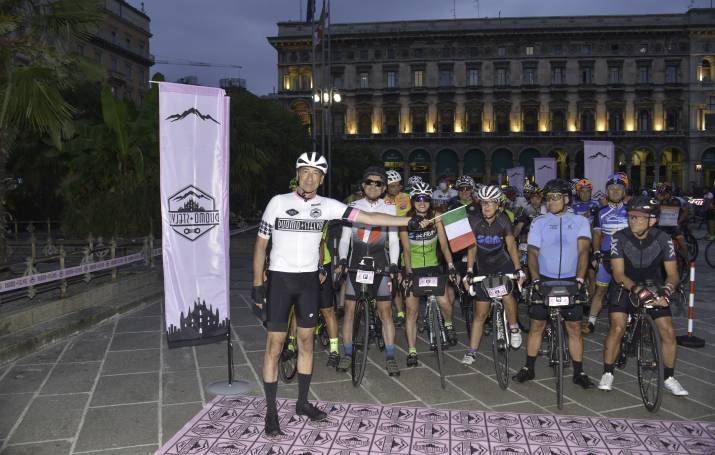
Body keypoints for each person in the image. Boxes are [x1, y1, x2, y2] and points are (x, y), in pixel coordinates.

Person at [251, 152, 428, 436]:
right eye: (305, 171)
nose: (310, 177)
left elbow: (370, 216)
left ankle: (302, 403)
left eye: (316, 173)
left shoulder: (329, 205)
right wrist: (257, 284)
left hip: (309, 281)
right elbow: (260, 245)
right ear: (298, 174)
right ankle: (271, 412)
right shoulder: (278, 203)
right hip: (280, 281)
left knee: (307, 342)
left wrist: (409, 222)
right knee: (275, 346)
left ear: (322, 179)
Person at [597, 196, 689, 396]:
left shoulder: (663, 239)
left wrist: (666, 290)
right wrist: (638, 290)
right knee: (617, 327)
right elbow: (619, 274)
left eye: (639, 218)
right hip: (625, 285)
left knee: (668, 331)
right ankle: (608, 372)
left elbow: (672, 274)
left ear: (652, 220)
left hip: (653, 284)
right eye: (631, 217)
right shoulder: (619, 237)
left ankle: (669, 377)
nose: (633, 221)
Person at [513, 179, 595, 389]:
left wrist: (579, 278)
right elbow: (532, 253)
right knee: (536, 325)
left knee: (574, 328)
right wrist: (536, 279)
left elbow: (583, 251)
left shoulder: (580, 221)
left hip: (570, 279)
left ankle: (579, 372)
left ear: (566, 199)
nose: (552, 201)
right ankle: (528, 368)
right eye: (549, 198)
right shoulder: (539, 222)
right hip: (545, 278)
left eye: (557, 197)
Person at [336, 166, 402, 376]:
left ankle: (391, 357)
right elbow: (345, 238)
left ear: (384, 188)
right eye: (369, 182)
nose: (373, 186)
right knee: (349, 312)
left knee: (385, 313)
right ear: (363, 185)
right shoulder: (353, 206)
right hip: (355, 266)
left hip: (380, 266)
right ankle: (347, 354)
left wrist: (394, 264)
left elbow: (393, 240)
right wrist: (344, 259)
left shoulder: (390, 209)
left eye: (378, 183)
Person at [461, 185, 526, 365]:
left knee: (506, 295)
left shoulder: (504, 220)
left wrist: (518, 268)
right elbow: (472, 248)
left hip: (502, 264)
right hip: (483, 269)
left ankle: (514, 328)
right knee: (480, 314)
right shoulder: (473, 221)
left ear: (498, 205)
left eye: (490, 203)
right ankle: (472, 351)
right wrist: (468, 271)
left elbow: (511, 246)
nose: (486, 207)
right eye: (483, 203)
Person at [400, 182, 460, 366]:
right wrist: (408, 272)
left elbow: (443, 244)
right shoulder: (405, 220)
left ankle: (448, 325)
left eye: (426, 199)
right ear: (412, 201)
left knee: (445, 302)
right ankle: (411, 351)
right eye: (418, 199)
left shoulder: (436, 218)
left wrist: (450, 265)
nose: (422, 202)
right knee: (412, 311)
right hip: (413, 268)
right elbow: (407, 250)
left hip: (433, 267)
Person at [583, 174, 629, 335]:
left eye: (619, 189)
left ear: (624, 192)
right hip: (606, 257)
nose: (615, 192)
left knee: (629, 290)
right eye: (612, 189)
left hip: (627, 258)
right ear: (607, 192)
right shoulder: (600, 212)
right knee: (600, 291)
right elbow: (596, 234)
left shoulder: (631, 211)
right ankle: (591, 321)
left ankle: (630, 321)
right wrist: (596, 253)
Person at [384, 170, 411, 326]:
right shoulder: (383, 200)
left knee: (406, 278)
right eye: (391, 186)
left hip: (406, 241)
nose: (395, 188)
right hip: (390, 242)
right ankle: (400, 312)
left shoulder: (407, 198)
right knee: (394, 278)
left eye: (397, 185)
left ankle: (409, 309)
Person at [654, 182, 689, 260]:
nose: (663, 195)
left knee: (680, 239)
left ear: (669, 193)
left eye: (664, 194)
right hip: (664, 225)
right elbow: (655, 211)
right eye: (661, 194)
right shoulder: (660, 201)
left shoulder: (678, 200)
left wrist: (679, 221)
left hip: (675, 224)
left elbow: (686, 211)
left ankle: (687, 259)